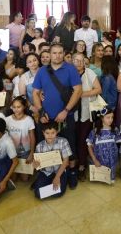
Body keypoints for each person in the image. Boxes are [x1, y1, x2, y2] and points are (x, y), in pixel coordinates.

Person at [32, 43, 82, 188]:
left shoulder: (70, 69)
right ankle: (47, 173)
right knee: (46, 145)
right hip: (46, 117)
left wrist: (66, 110)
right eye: (54, 53)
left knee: (70, 144)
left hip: (66, 115)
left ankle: (72, 172)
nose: (57, 55)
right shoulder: (42, 71)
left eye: (60, 53)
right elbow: (35, 92)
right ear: (50, 54)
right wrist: (40, 111)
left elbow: (78, 91)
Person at [72, 52, 101, 180]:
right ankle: (73, 164)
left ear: (84, 62)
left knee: (83, 140)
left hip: (86, 112)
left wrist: (82, 94)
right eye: (76, 60)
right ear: (72, 61)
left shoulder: (89, 73)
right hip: (71, 112)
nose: (78, 63)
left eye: (81, 60)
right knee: (73, 139)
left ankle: (82, 166)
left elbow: (98, 89)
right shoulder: (68, 73)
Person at [32, 121, 71, 199]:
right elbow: (37, 165)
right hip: (46, 172)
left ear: (57, 132)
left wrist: (57, 177)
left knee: (58, 193)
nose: (50, 136)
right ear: (43, 133)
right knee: (38, 194)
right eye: (47, 133)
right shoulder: (39, 146)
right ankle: (45, 183)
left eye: (53, 133)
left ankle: (64, 179)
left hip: (60, 171)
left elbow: (66, 161)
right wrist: (35, 165)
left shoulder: (63, 142)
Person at [5, 97, 35, 182]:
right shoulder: (7, 120)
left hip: (25, 152)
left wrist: (31, 153)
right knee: (13, 179)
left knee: (25, 179)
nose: (16, 109)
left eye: (19, 107)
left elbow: (32, 137)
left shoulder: (28, 120)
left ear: (24, 107)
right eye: (14, 107)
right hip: (12, 152)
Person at [87, 107, 121, 183]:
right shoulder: (95, 131)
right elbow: (89, 146)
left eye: (112, 117)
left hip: (112, 161)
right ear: (102, 118)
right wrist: (94, 159)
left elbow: (119, 144)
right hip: (99, 161)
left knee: (110, 180)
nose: (110, 119)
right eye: (108, 117)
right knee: (100, 180)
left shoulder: (115, 130)